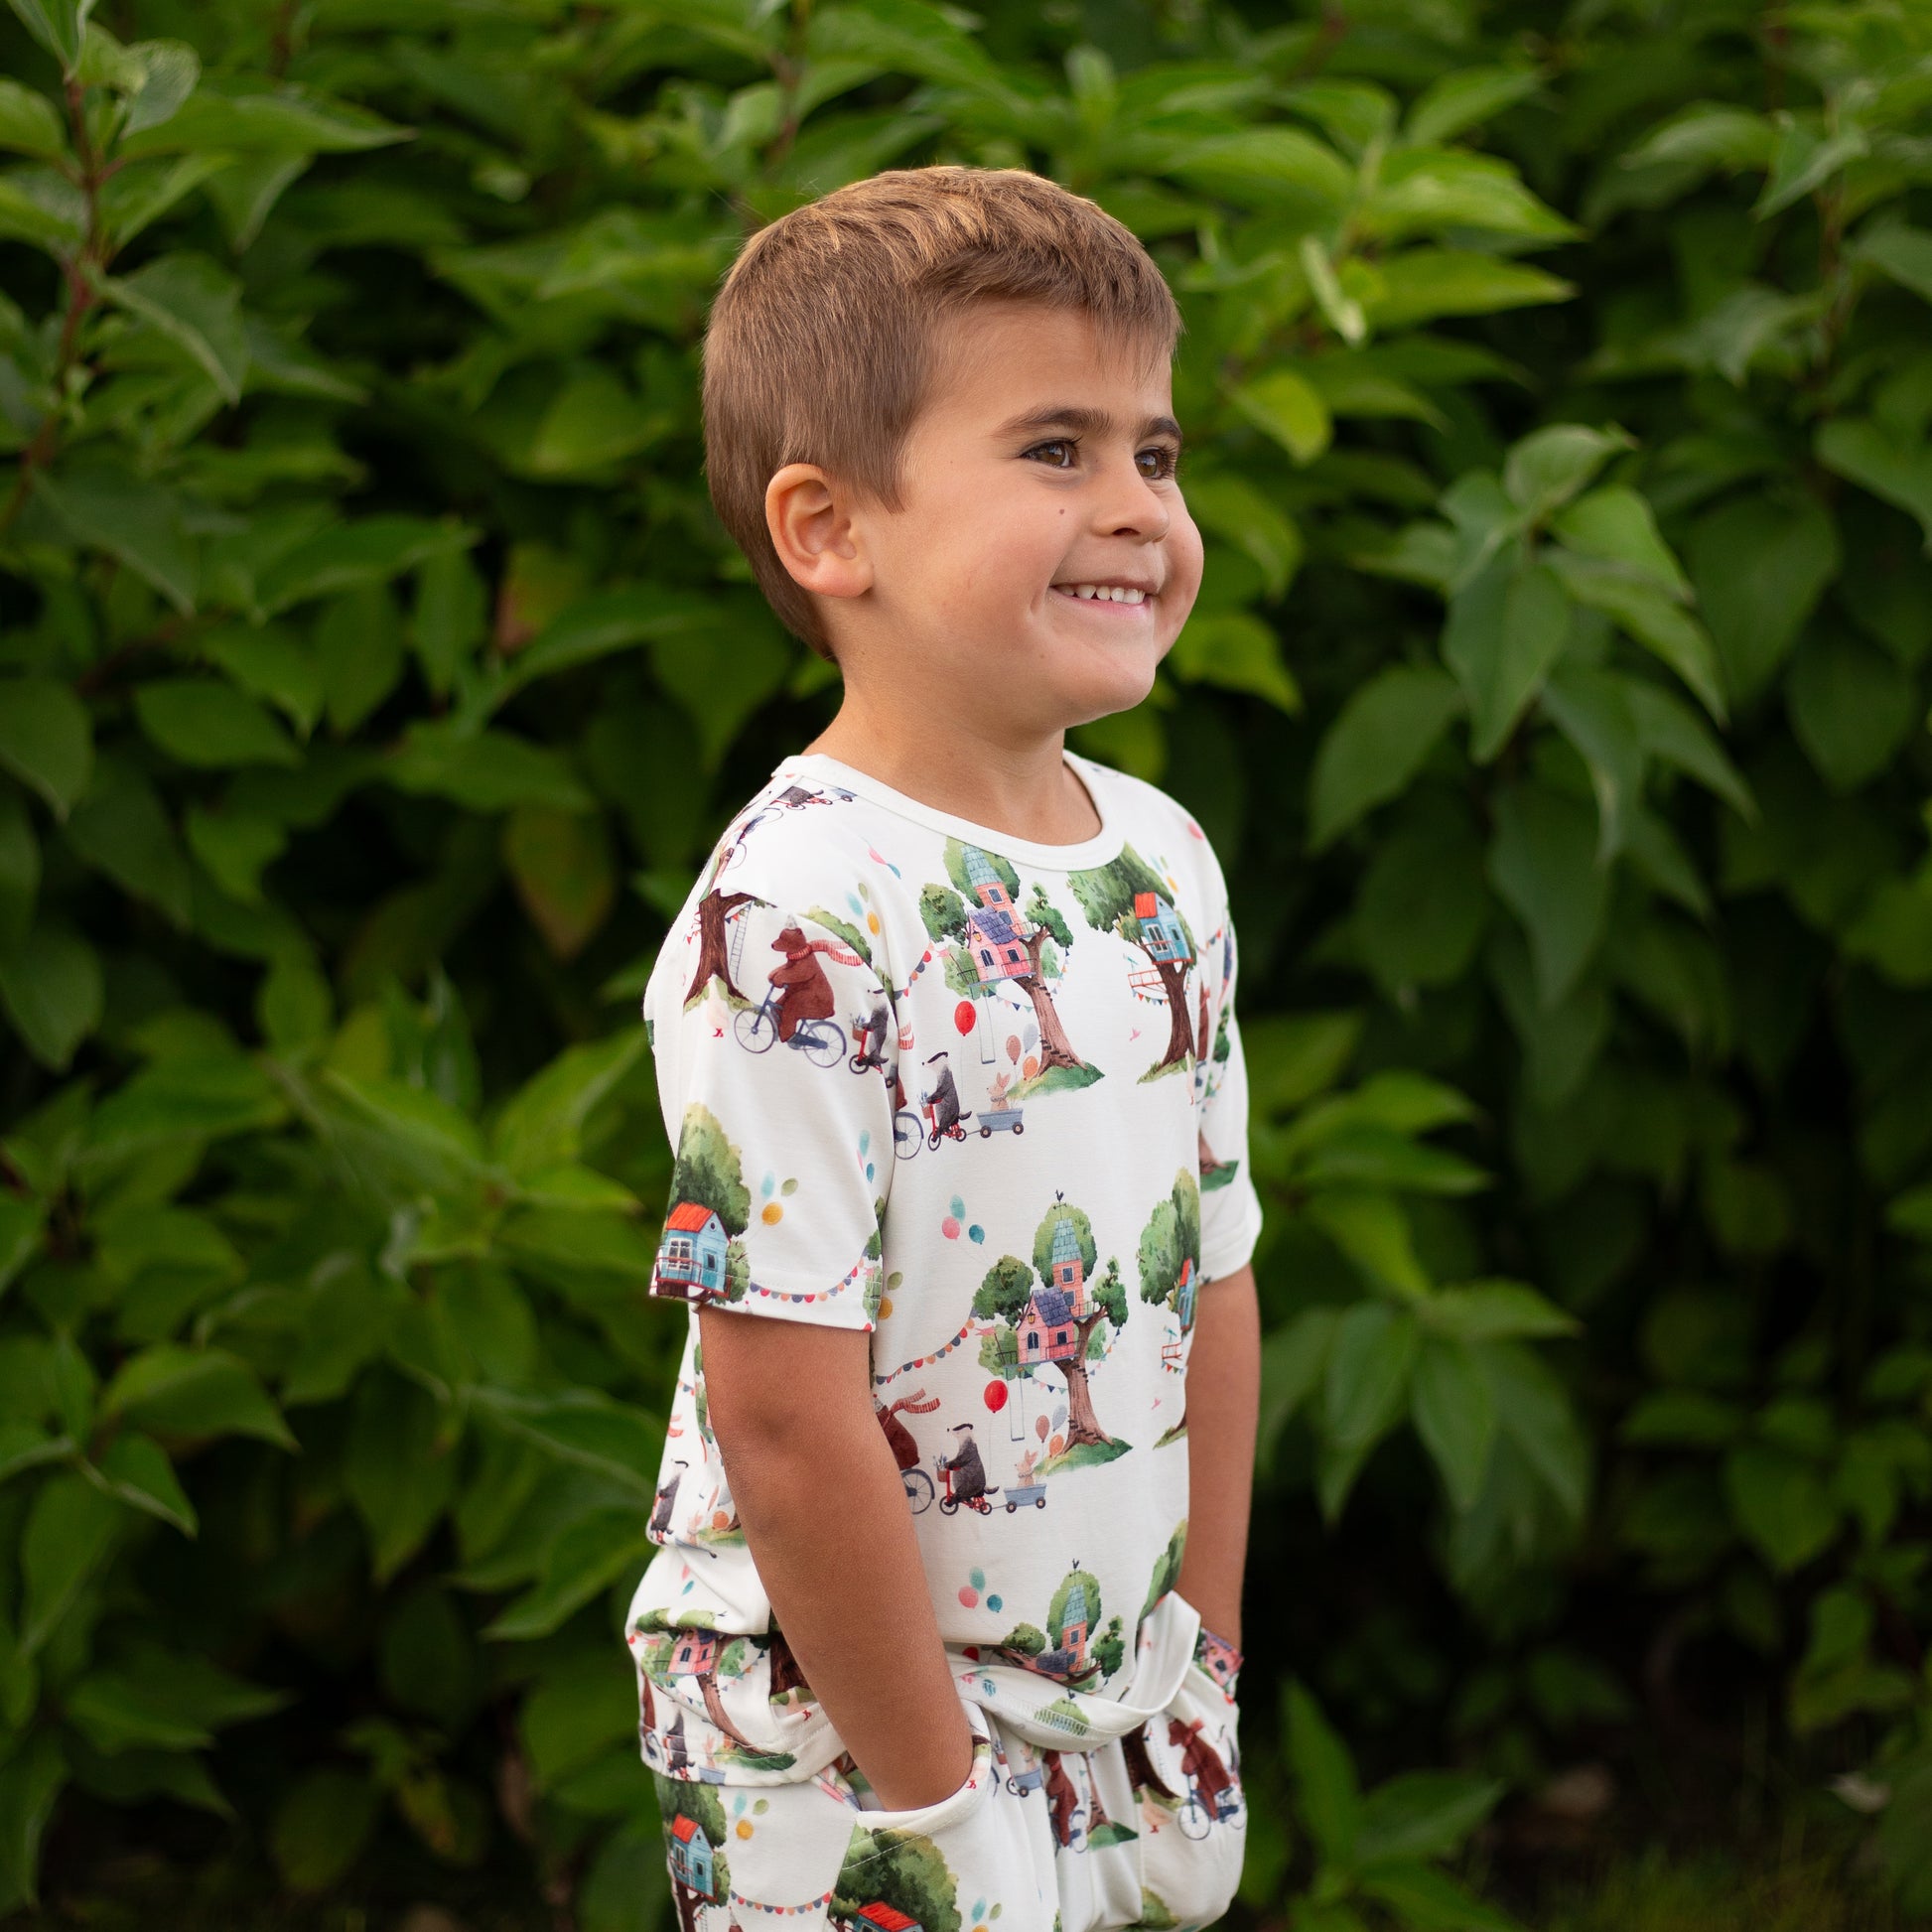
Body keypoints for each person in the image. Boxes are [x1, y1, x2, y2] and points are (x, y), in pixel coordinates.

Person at [629, 166, 1260, 1932]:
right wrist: (930, 1803)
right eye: (1054, 449)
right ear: (831, 529)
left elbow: (1212, 1275)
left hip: (1107, 1697)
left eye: (1156, 448)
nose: (1135, 504)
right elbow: (778, 1405)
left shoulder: (1162, 863)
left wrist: (1199, 1665)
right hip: (838, 1742)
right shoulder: (797, 917)